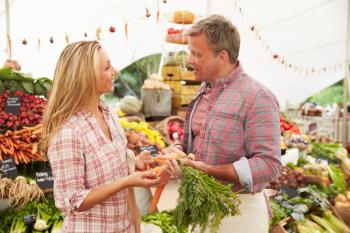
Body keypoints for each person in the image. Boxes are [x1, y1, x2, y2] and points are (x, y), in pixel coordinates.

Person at [165, 15, 281, 233]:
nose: (189, 60)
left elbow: (269, 164)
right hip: (199, 207)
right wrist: (177, 151)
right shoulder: (203, 91)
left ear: (222, 56)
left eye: (196, 54)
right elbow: (192, 142)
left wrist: (212, 170)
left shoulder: (258, 97)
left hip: (239, 213)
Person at [40, 41, 161, 233]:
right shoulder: (68, 132)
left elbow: (110, 162)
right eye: (107, 67)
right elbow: (73, 200)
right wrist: (128, 181)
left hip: (124, 226)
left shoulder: (107, 113)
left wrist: (135, 162)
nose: (114, 70)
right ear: (85, 77)